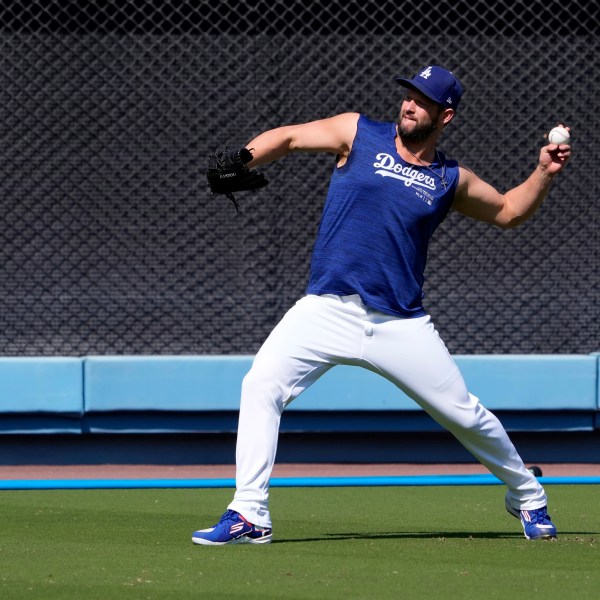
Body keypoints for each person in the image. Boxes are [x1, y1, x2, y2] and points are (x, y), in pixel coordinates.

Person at [193, 65, 571, 545]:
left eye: (423, 100)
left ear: (445, 115)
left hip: (399, 322)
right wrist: (244, 158)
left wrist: (543, 171)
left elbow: (509, 212)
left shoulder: (449, 178)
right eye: (409, 95)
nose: (410, 104)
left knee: (464, 414)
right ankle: (249, 512)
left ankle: (527, 494)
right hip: (326, 309)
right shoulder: (359, 132)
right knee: (260, 384)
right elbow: (288, 138)